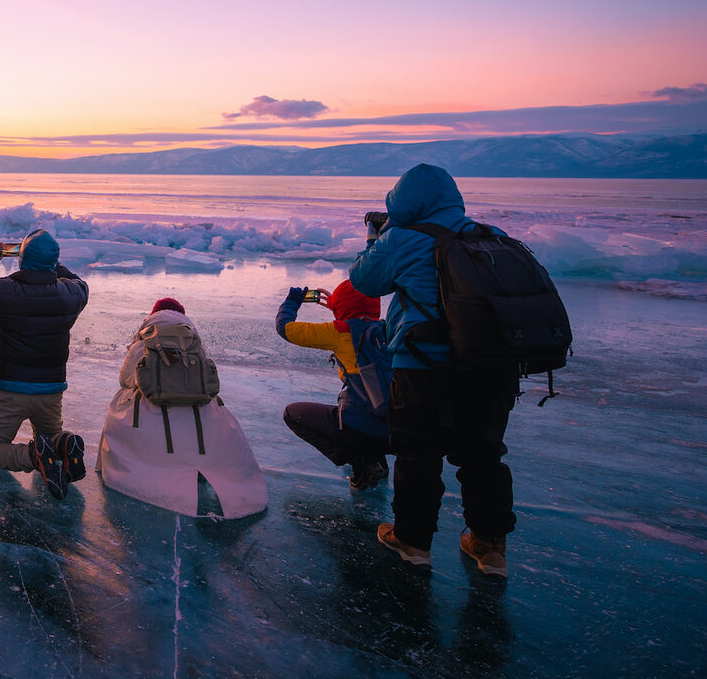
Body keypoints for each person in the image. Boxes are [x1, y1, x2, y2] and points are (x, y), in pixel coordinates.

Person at [350, 163, 516, 576]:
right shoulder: (489, 236)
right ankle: (490, 546)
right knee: (483, 455)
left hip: (422, 366)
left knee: (418, 453)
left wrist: (378, 236)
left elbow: (364, 282)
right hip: (490, 368)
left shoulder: (404, 238)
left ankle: (412, 541)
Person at [96, 298, 268, 518]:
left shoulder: (144, 341)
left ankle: (144, 468)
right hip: (198, 419)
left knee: (122, 399)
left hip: (153, 421)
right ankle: (201, 468)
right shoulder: (193, 342)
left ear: (153, 315)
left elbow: (126, 379)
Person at [0, 230, 88, 498]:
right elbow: (77, 281)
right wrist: (51, 263)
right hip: (51, 391)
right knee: (52, 438)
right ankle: (64, 444)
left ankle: (32, 455)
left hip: (10, 389)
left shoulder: (6, 291)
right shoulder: (71, 295)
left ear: (21, 259)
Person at [275, 281, 390, 490]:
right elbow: (360, 321)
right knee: (373, 402)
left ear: (342, 307)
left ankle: (362, 462)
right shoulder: (388, 331)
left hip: (361, 430)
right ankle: (379, 462)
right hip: (397, 432)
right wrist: (339, 309)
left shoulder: (339, 332)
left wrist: (292, 302)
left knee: (292, 414)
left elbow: (286, 329)